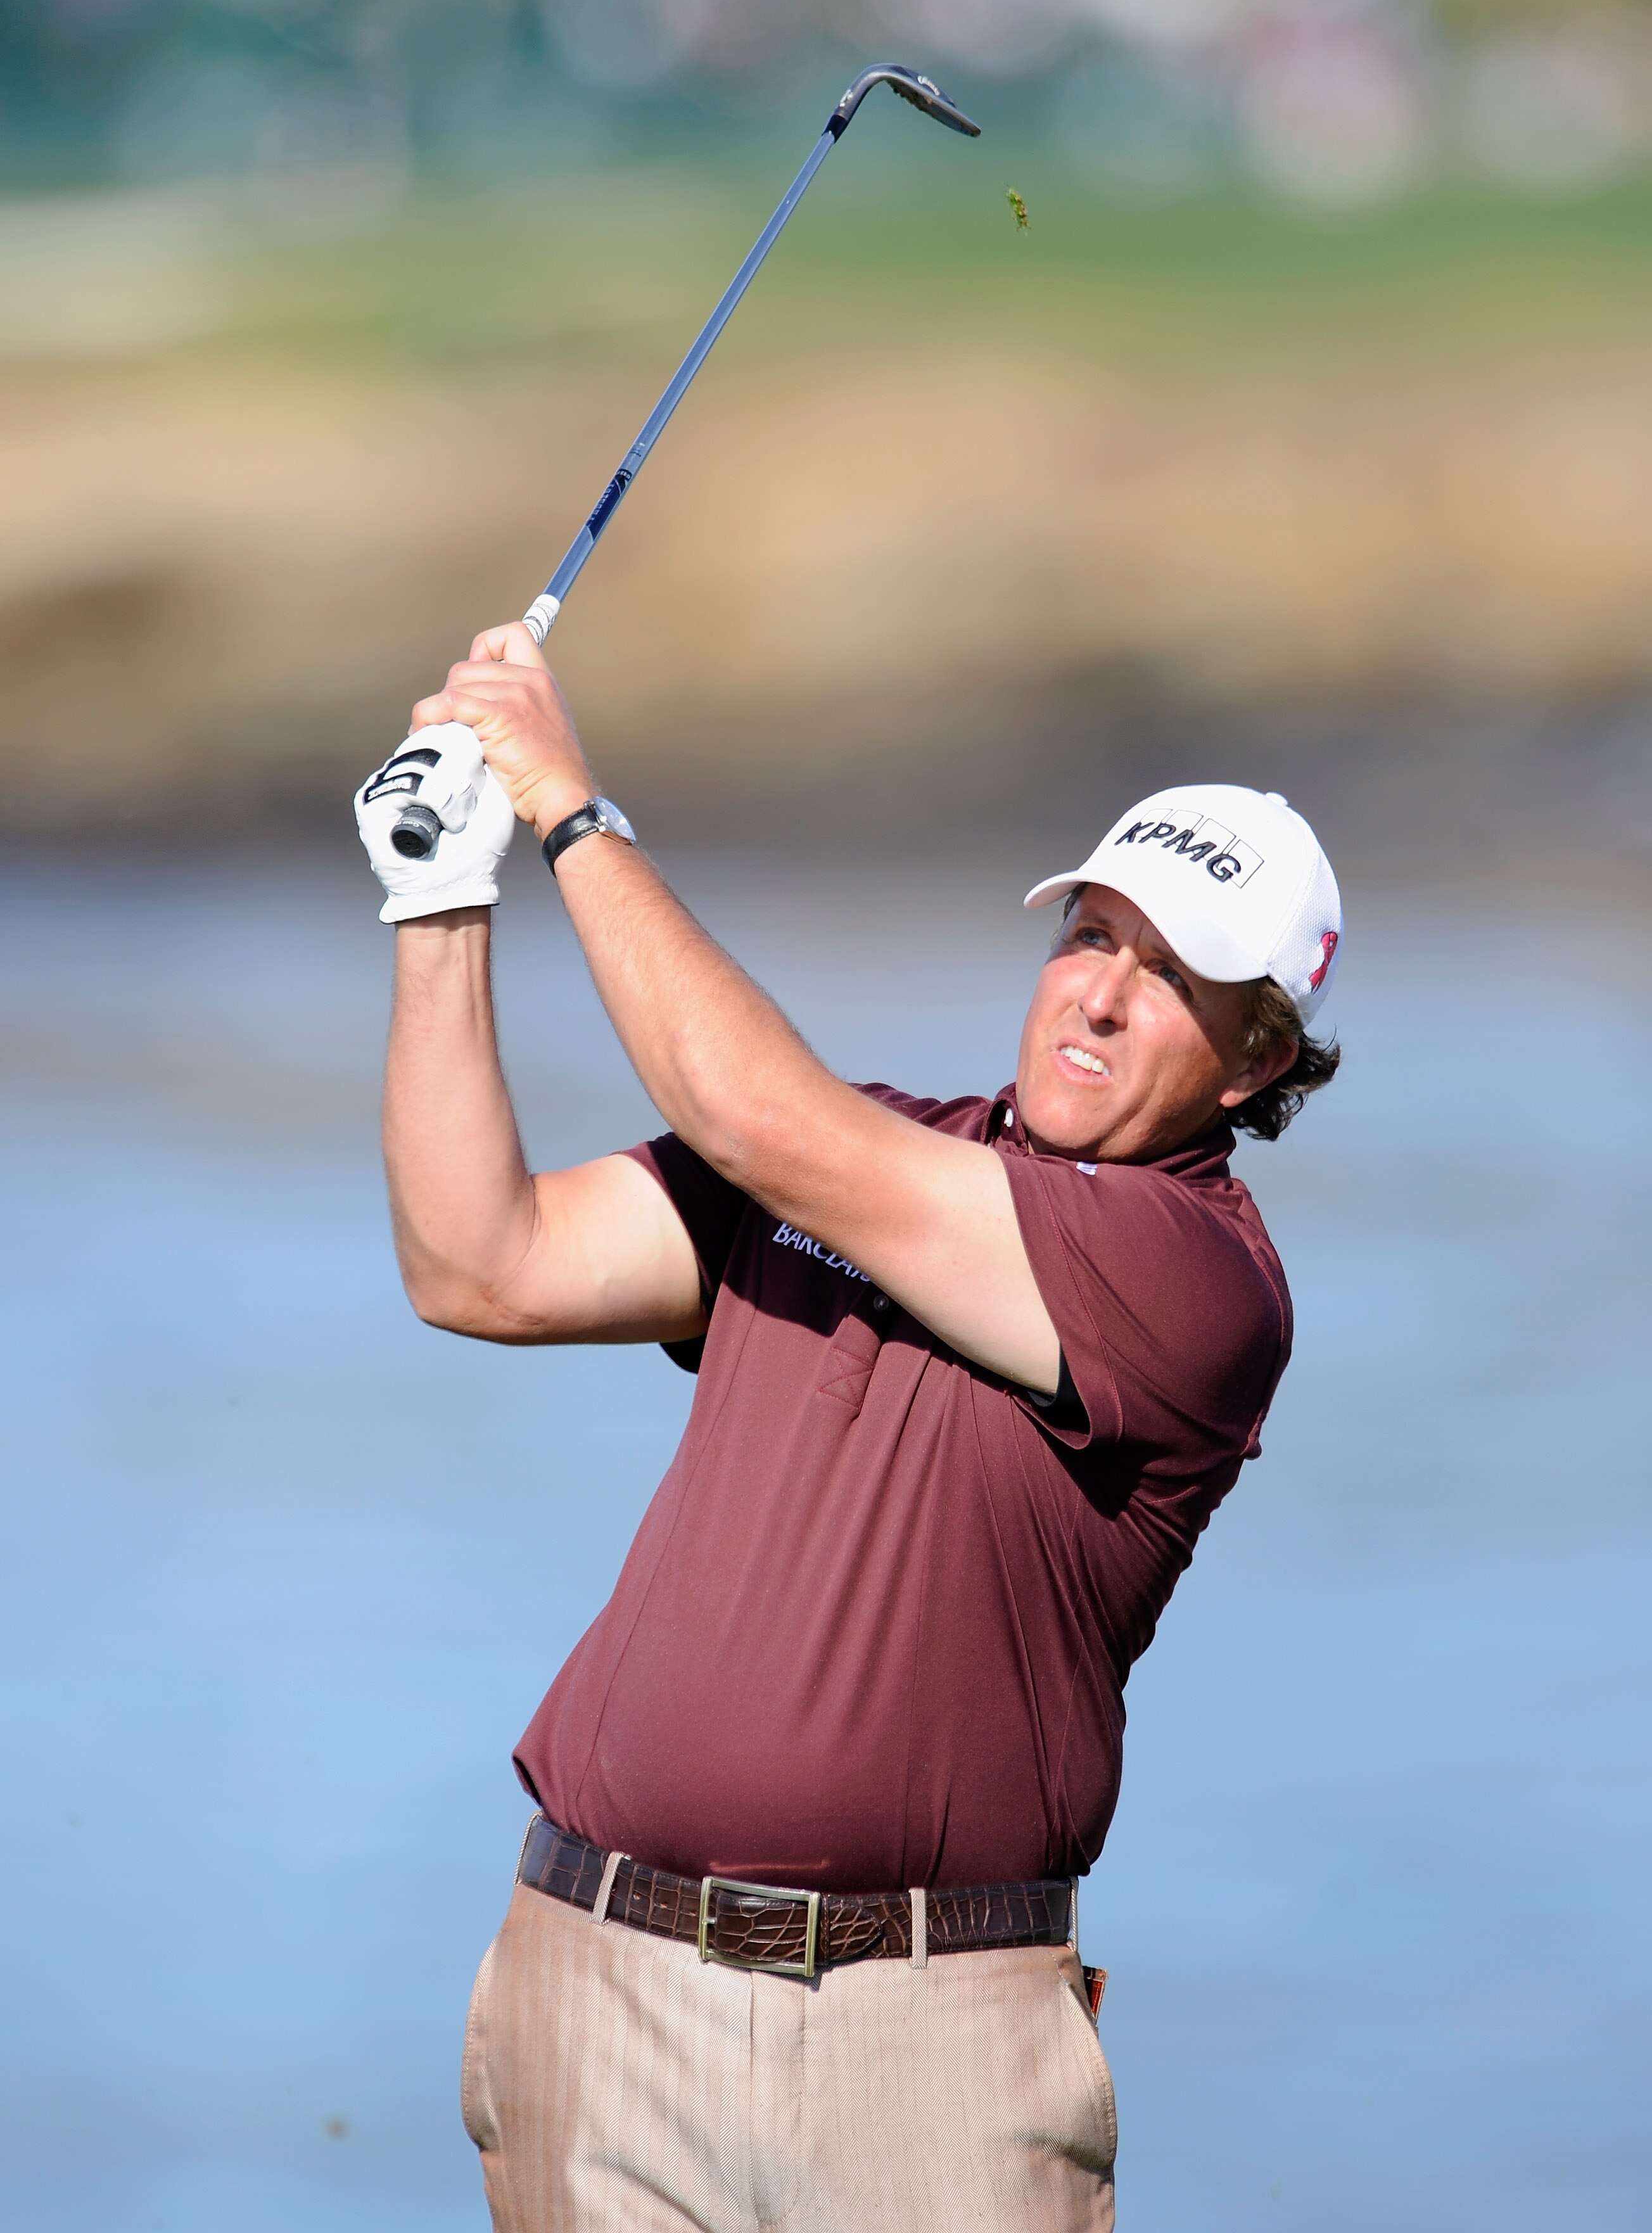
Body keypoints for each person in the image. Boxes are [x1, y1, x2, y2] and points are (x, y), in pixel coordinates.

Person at [355, 624, 1344, 2233]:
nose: (1098, 991)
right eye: (1088, 935)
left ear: (1255, 1061)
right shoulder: (870, 1148)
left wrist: (572, 813)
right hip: (599, 1990)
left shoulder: (1199, 1281)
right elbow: (483, 1261)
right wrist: (436, 901)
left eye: (1174, 976)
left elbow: (764, 1119)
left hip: (928, 2041)